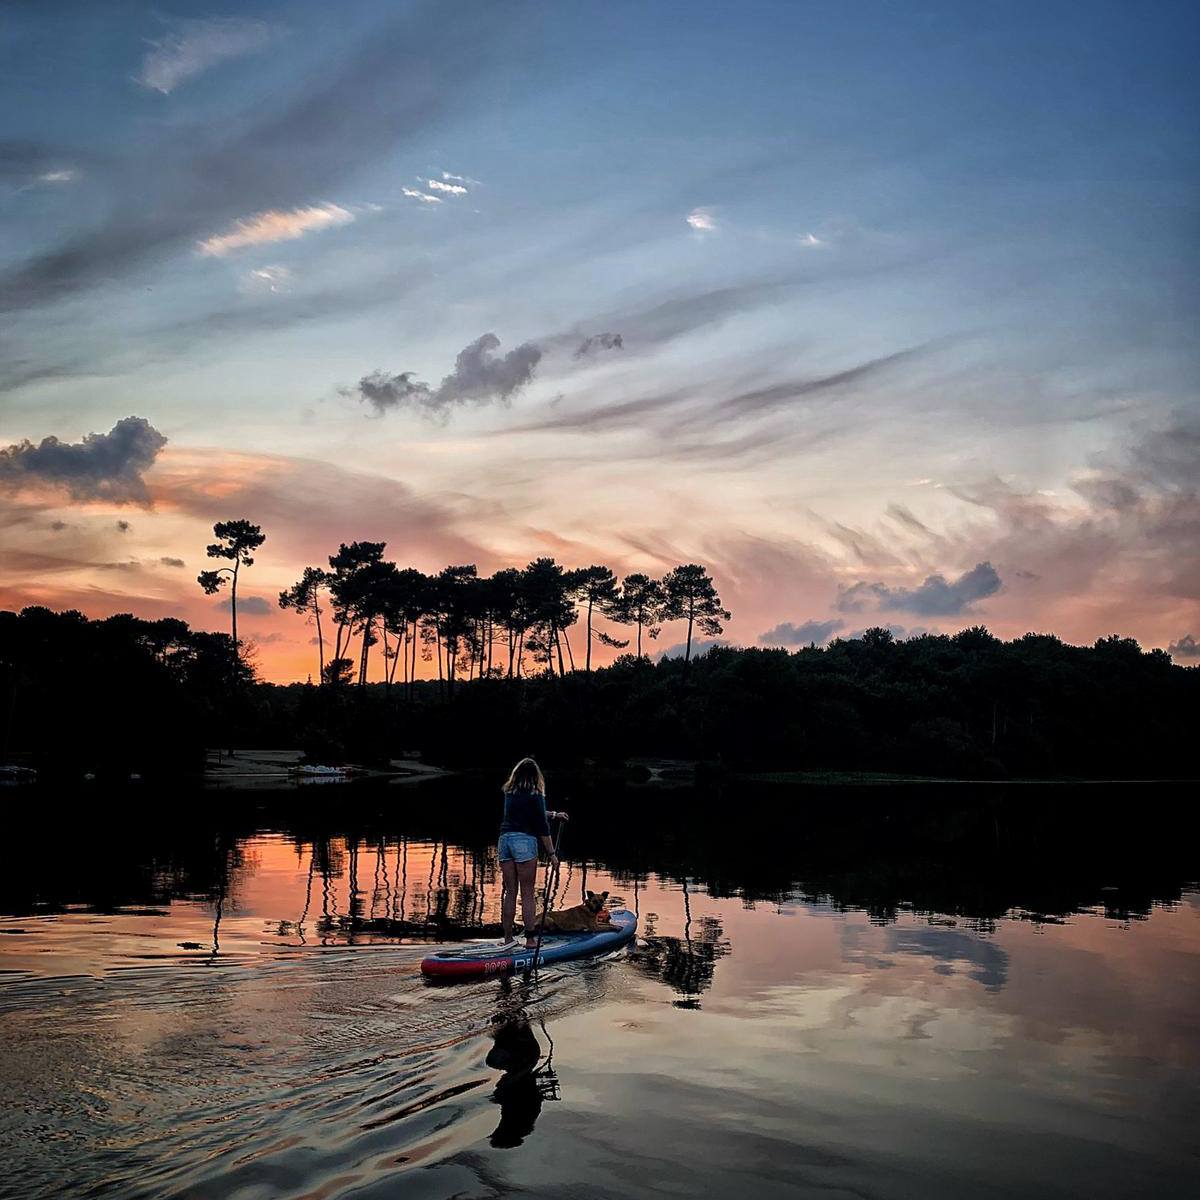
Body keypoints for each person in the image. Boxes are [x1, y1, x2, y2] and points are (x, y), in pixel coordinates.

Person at [497, 757, 568, 948]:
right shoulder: (536, 794)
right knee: (527, 893)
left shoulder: (509, 792)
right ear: (536, 776)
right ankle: (530, 940)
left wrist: (554, 814)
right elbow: (542, 826)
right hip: (523, 842)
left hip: (505, 841)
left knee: (510, 892)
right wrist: (552, 854)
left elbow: (533, 813)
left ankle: (508, 939)